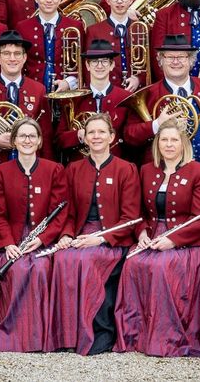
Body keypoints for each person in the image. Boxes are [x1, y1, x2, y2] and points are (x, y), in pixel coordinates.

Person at [114, 120, 200, 357]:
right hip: (152, 236)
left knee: (161, 266)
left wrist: (174, 240)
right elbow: (136, 211)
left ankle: (167, 337)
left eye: (174, 140)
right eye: (164, 140)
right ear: (157, 144)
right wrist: (140, 233)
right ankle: (137, 334)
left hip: (188, 241)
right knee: (133, 263)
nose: (169, 145)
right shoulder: (146, 170)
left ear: (184, 144)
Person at [50, 113, 140, 355]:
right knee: (62, 260)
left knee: (89, 261)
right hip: (80, 234)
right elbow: (67, 211)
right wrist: (66, 235)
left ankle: (101, 332)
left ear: (112, 137)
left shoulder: (127, 169)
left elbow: (130, 218)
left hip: (112, 238)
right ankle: (69, 334)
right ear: (85, 138)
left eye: (102, 132)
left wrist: (100, 238)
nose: (97, 136)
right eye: (92, 133)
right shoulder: (74, 168)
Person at [0, 119, 68, 352]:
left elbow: (60, 213)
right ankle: (15, 335)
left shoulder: (54, 169)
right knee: (15, 268)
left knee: (42, 268)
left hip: (42, 237)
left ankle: (40, 336)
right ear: (13, 141)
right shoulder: (0, 171)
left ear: (40, 141)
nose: (27, 140)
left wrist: (43, 239)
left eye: (32, 136)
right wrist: (7, 244)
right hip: (13, 238)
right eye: (22, 136)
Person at [123, 34, 200, 167]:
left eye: (181, 57)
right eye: (170, 57)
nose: (175, 61)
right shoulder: (149, 94)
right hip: (164, 176)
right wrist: (156, 124)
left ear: (191, 61)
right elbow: (130, 136)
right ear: (160, 61)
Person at [0, 30, 50, 160]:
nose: (12, 58)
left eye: (17, 54)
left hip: (28, 162)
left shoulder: (39, 89)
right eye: (6, 54)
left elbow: (45, 134)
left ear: (24, 58)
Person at [54, 39, 130, 159]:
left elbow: (131, 138)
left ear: (112, 66)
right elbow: (59, 141)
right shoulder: (73, 99)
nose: (99, 66)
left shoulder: (125, 98)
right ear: (87, 66)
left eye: (104, 61)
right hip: (81, 167)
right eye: (94, 61)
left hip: (115, 166)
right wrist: (78, 135)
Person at [15, 0, 83, 93]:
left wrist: (69, 82)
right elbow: (17, 62)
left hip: (66, 92)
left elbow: (83, 62)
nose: (49, 0)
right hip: (32, 91)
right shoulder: (22, 27)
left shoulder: (75, 26)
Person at [85, 0, 143, 91]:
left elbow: (150, 63)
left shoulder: (141, 29)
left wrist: (139, 79)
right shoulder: (94, 31)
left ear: (131, 0)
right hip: (107, 94)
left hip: (138, 91)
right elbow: (88, 69)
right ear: (108, 1)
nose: (119, 1)